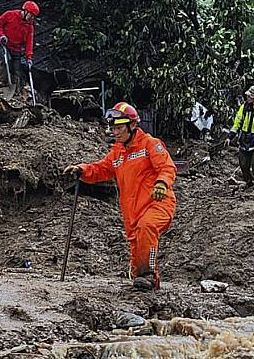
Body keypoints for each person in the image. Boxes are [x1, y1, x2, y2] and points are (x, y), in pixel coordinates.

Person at [63, 102, 177, 291]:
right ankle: (148, 289)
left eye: (119, 128)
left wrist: (162, 183)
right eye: (113, 128)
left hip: (157, 202)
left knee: (146, 227)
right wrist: (81, 170)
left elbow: (167, 167)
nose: (115, 132)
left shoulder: (150, 144)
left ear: (132, 125)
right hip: (132, 210)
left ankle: (147, 275)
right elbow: (101, 169)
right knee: (135, 245)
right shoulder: (117, 152)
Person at [0, 0, 39, 101]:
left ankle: (17, 90)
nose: (31, 19)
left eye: (33, 17)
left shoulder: (30, 26)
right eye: (30, 16)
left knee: (17, 70)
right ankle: (3, 84)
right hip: (4, 44)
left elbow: (29, 42)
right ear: (25, 11)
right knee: (7, 61)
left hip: (16, 49)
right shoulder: (10, 15)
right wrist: (1, 35)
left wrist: (29, 56)